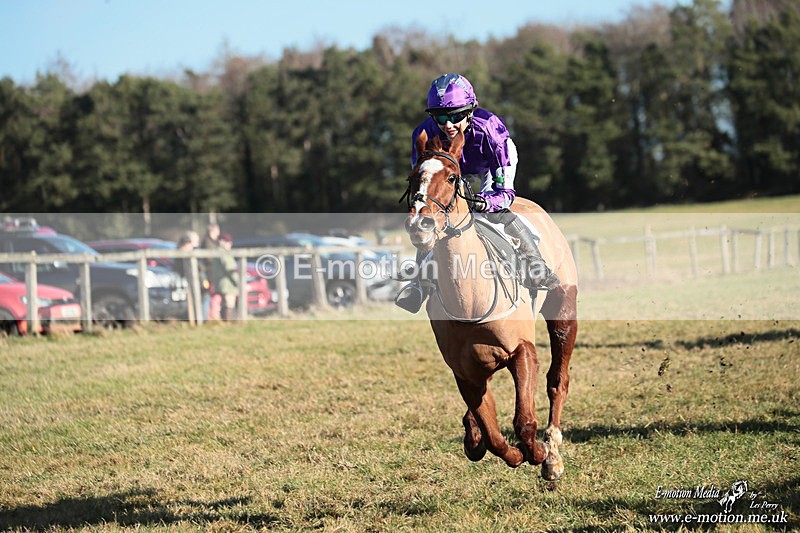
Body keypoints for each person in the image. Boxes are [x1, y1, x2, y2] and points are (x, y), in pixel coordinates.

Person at [396, 73, 559, 313]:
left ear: (470, 110)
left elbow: (505, 194)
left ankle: (536, 266)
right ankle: (419, 283)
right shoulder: (423, 134)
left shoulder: (491, 129)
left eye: (456, 116)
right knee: (431, 217)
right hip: (451, 170)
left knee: (494, 212)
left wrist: (486, 202)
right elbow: (423, 180)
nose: (448, 124)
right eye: (440, 117)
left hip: (489, 166)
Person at [208, 232, 239, 321]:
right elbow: (230, 268)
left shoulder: (216, 252)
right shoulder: (224, 253)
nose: (230, 244)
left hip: (220, 283)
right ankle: (228, 323)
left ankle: (223, 322)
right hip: (227, 284)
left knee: (223, 304)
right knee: (229, 303)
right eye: (228, 242)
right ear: (223, 242)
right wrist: (237, 281)